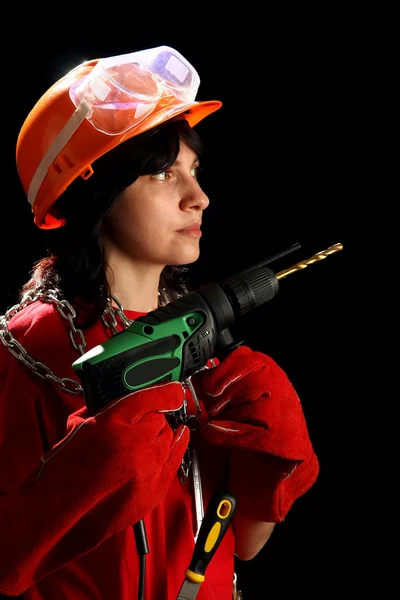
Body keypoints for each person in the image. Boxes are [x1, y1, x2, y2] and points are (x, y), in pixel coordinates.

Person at [0, 45, 320, 600]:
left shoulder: (203, 339)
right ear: (97, 192)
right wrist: (85, 477)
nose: (199, 198)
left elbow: (244, 544)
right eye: (164, 174)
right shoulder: (34, 344)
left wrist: (273, 459)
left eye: (193, 171)